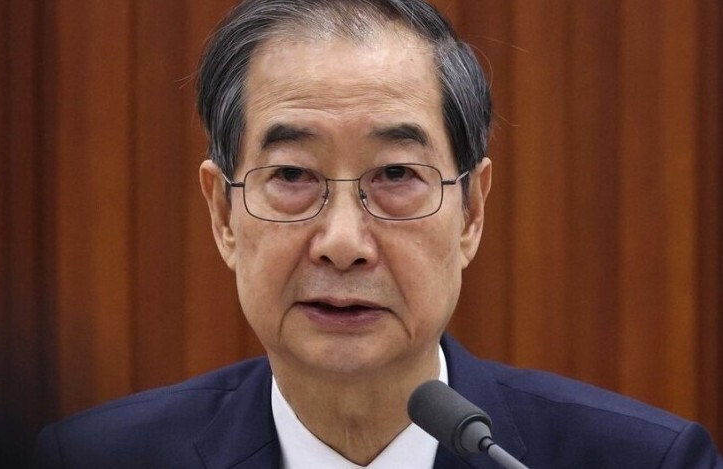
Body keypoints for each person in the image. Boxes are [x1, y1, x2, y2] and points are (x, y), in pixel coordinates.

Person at [35, 0, 723, 467]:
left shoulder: (646, 460)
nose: (342, 242)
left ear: (471, 212)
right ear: (222, 214)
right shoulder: (91, 458)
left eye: (396, 174)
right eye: (292, 174)